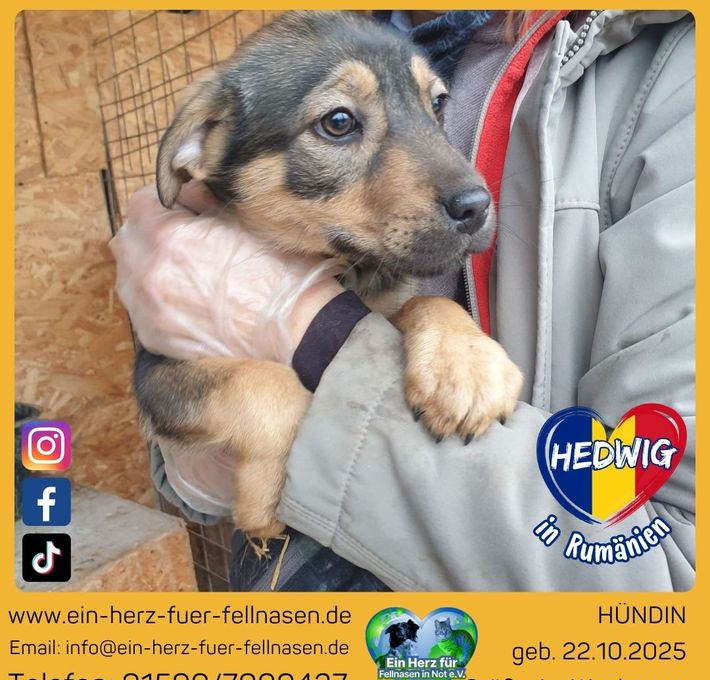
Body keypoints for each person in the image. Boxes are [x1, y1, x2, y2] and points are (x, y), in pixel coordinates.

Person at [112, 10, 695, 591]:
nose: (466, 187)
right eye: (339, 122)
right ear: (203, 143)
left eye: (434, 105)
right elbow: (179, 452)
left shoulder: (673, 74)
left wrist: (334, 326)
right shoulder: (376, 35)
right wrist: (224, 443)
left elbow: (666, 564)